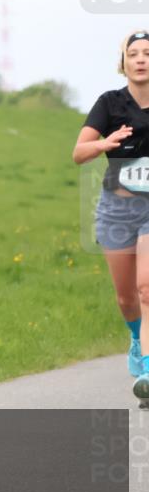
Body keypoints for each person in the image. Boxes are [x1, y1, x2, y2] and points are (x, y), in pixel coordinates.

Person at [72, 29, 149, 404]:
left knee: (147, 287)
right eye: (133, 53)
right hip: (117, 208)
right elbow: (79, 153)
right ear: (124, 63)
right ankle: (137, 339)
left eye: (147, 53)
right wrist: (105, 142)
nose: (140, 59)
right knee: (125, 297)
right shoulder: (110, 102)